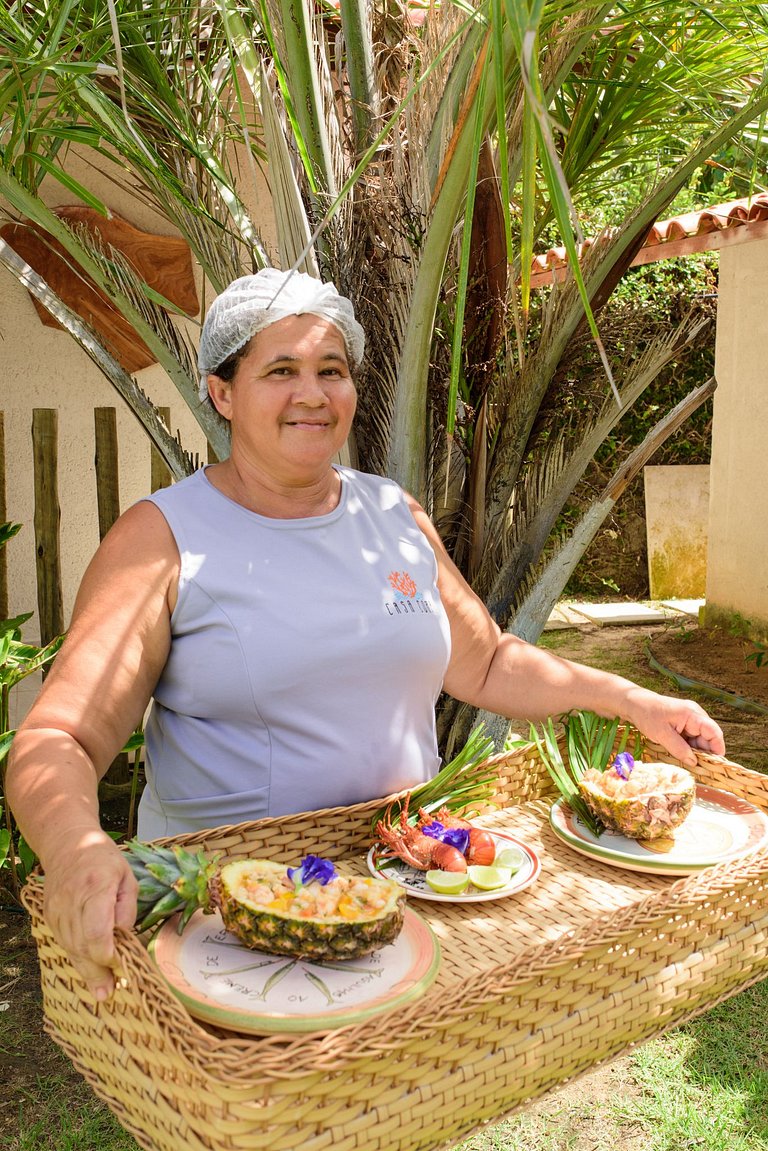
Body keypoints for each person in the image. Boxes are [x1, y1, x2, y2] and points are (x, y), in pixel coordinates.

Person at [7, 267, 725, 1004]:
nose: (313, 393)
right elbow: (59, 737)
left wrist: (628, 699)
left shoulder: (393, 517)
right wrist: (76, 850)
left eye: (332, 369)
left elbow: (487, 662)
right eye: (280, 370)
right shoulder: (164, 537)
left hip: (401, 889)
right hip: (231, 917)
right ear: (222, 393)